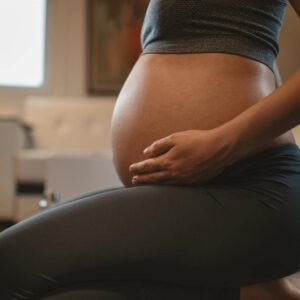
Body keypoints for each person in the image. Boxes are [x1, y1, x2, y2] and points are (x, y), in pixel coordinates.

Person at [1, 0, 300, 299]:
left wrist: (221, 145)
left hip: (251, 187)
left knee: (10, 263)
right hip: (192, 198)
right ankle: (249, 292)